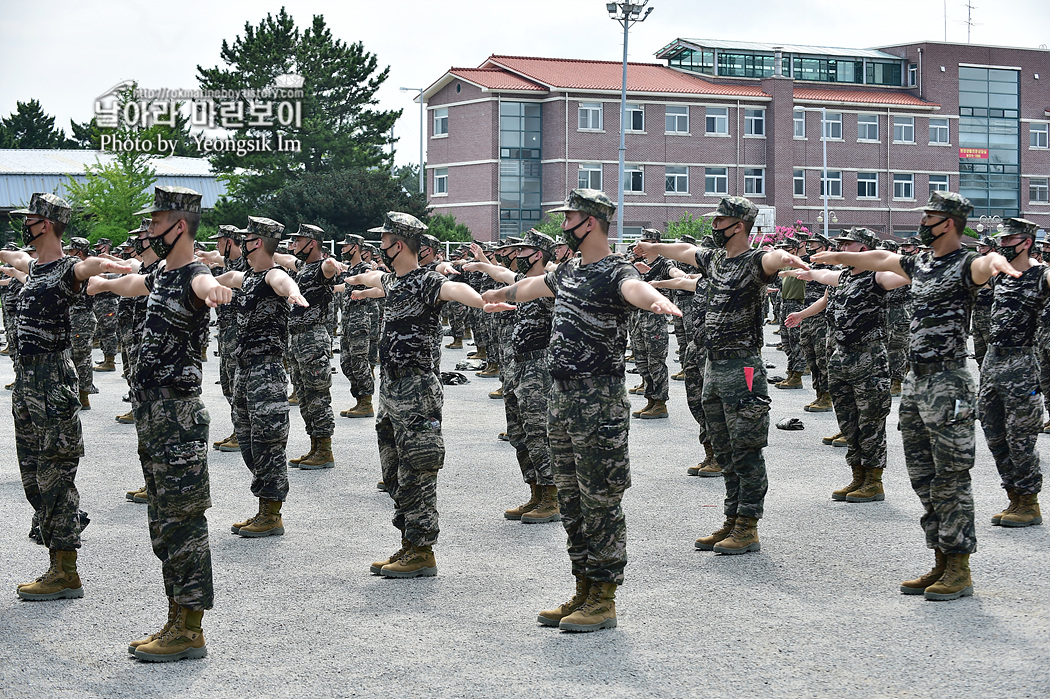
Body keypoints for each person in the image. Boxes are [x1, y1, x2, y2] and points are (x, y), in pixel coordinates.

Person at [484, 189, 681, 632]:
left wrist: (653, 299)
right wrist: (498, 292)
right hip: (561, 398)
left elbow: (634, 287)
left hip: (599, 401)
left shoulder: (616, 271)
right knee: (571, 501)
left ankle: (605, 599)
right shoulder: (569, 269)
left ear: (590, 222)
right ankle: (583, 587)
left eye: (568, 217)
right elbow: (532, 286)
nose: (562, 226)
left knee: (601, 501)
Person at [811, 191, 1016, 602]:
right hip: (917, 382)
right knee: (922, 474)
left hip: (950, 381)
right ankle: (940, 557)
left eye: (931, 215)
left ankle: (959, 566)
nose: (923, 220)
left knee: (950, 475)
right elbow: (882, 261)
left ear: (951, 222)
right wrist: (835, 260)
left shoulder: (966, 264)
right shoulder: (919, 262)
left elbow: (985, 265)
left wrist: (997, 262)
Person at [90, 185, 232, 660]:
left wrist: (215, 290)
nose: (149, 229)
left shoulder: (193, 274)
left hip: (178, 414)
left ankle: (191, 628)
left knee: (183, 521)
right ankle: (175, 616)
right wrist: (109, 284)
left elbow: (205, 286)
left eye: (156, 222)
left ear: (180, 226)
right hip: (153, 413)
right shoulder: (161, 274)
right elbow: (137, 285)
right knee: (163, 521)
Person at [636, 196, 807, 558]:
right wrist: (654, 246)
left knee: (746, 448)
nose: (713, 228)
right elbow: (684, 250)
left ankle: (748, 526)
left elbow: (771, 258)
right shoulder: (714, 259)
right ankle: (731, 519)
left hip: (743, 365)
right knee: (725, 447)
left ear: (738, 226)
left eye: (719, 223)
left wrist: (785, 258)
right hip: (713, 364)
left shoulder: (753, 260)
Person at [345, 212, 486, 579]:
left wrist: (483, 302)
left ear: (400, 244)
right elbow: (371, 277)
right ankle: (409, 540)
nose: (380, 245)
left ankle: (423, 550)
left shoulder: (426, 281)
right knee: (392, 469)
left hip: (417, 388)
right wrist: (352, 281)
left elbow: (454, 290)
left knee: (419, 467)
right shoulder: (393, 280)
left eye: (386, 239)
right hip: (390, 387)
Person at [4, 193, 129, 602]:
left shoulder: (64, 270)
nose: (25, 223)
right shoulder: (34, 267)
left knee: (55, 475)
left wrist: (114, 265)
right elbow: (12, 257)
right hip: (26, 384)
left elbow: (88, 266)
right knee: (32, 478)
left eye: (32, 219)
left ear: (48, 224)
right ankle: (65, 532)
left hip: (52, 381)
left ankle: (65, 571)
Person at [785, 227, 909, 503]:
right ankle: (857, 475)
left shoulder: (878, 277)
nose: (841, 248)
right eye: (840, 244)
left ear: (865, 249)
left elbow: (904, 271)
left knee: (871, 421)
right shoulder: (842, 277)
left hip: (868, 359)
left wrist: (879, 257)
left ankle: (874, 481)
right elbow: (821, 280)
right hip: (840, 358)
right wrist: (802, 309)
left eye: (847, 244)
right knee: (848, 420)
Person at [215, 216, 308, 538]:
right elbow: (226, 277)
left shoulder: (272, 275)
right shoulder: (247, 277)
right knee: (248, 441)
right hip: (244, 370)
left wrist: (294, 293)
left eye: (246, 239)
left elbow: (285, 283)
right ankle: (264, 504)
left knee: (268, 441)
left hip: (266, 371)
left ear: (256, 243)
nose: (241, 243)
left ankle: (271, 513)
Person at [465, 229, 560, 523]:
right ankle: (535, 492)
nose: (517, 256)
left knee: (539, 432)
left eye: (524, 251)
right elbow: (503, 274)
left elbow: (558, 272)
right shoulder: (523, 281)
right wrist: (481, 264)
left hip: (540, 366)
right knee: (519, 432)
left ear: (539, 254)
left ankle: (552, 497)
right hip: (519, 365)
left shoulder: (549, 284)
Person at [979, 218, 1048, 528]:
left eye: (1009, 241)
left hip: (1022, 364)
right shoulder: (1000, 276)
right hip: (992, 363)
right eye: (1001, 241)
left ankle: (1029, 503)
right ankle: (1014, 496)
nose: (1003, 245)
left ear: (1026, 242)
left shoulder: (1041, 275)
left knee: (1020, 437)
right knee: (994, 434)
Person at [279, 224, 341, 469]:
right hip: (297, 339)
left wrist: (330, 263)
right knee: (304, 396)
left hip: (313, 339)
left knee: (317, 396)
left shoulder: (319, 269)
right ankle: (314, 446)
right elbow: (282, 257)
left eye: (299, 241)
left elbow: (328, 268)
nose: (294, 245)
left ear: (312, 243)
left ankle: (325, 450)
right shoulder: (302, 267)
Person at [629, 228, 674, 420]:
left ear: (655, 243)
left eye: (646, 242)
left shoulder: (664, 264)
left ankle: (660, 403)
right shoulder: (637, 264)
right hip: (638, 319)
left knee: (656, 362)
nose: (642, 246)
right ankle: (650, 400)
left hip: (655, 321)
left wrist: (681, 275)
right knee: (642, 361)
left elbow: (674, 271)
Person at [335, 234, 376, 419]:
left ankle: (367, 402)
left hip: (359, 320)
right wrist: (334, 288)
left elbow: (377, 287)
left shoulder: (365, 268)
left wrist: (364, 292)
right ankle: (359, 399)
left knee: (359, 361)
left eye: (346, 246)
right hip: (347, 321)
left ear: (356, 248)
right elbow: (347, 287)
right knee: (346, 362)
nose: (342, 249)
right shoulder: (349, 269)